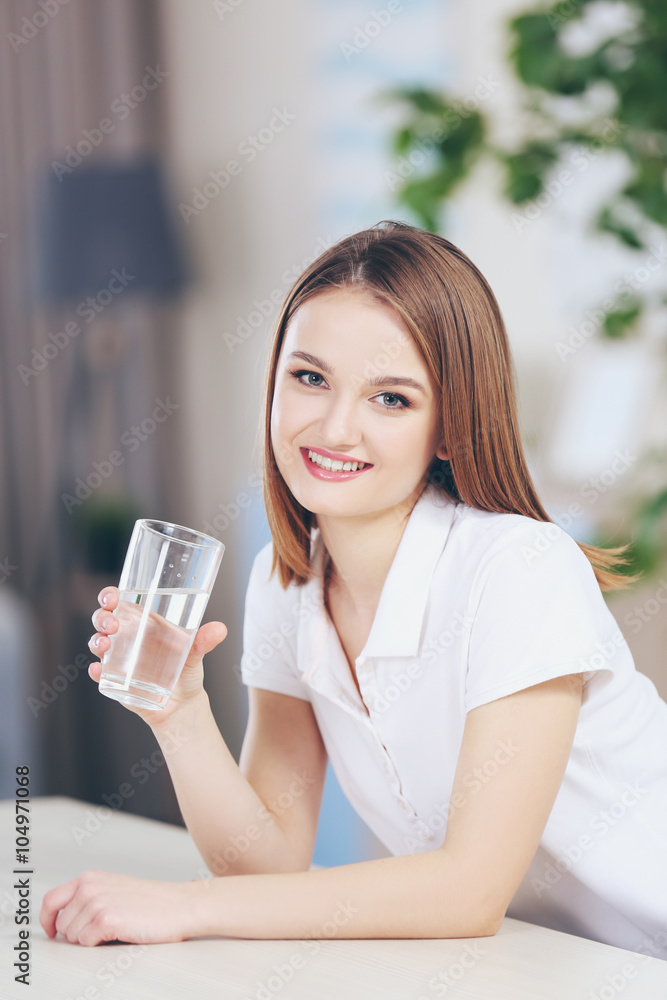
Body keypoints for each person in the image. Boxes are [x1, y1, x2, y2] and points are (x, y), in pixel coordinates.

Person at [40, 221, 667, 959]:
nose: (335, 428)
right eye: (310, 378)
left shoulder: (518, 568)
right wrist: (179, 713)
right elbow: (263, 859)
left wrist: (181, 906)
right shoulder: (288, 578)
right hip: (546, 967)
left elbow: (468, 892)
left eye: (391, 399)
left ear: (447, 426)